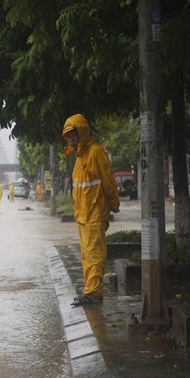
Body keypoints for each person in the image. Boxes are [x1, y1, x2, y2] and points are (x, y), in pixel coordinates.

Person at [63, 114, 119, 306]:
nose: (70, 138)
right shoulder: (78, 158)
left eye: (73, 133)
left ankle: (94, 292)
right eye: (67, 135)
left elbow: (108, 180)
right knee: (87, 254)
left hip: (94, 214)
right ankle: (90, 290)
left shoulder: (96, 152)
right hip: (83, 216)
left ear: (82, 132)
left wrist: (113, 204)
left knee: (94, 254)